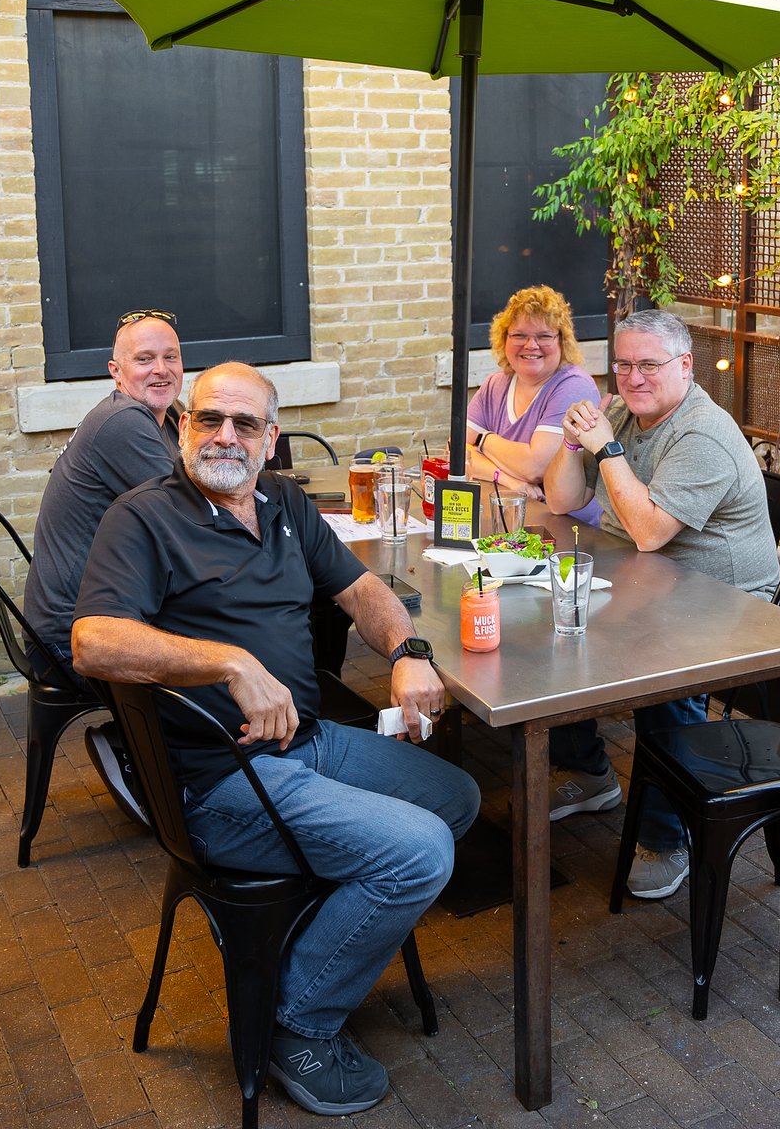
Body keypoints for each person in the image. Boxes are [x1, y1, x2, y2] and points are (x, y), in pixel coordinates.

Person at [72, 361, 480, 1118]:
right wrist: (231, 662)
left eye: (245, 423)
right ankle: (295, 1022)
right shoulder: (144, 516)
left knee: (456, 797)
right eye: (209, 419)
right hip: (221, 780)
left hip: (306, 742)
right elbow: (92, 641)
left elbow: (361, 589)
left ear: (271, 437)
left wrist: (407, 652)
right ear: (183, 426)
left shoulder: (285, 501)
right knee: (419, 851)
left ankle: (318, 935)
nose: (225, 436)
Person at [544, 309, 779, 900]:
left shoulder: (702, 434)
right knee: (555, 623)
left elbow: (648, 532)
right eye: (623, 364)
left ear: (685, 366)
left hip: (728, 604)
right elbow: (561, 499)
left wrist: (606, 446)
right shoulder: (625, 412)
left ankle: (668, 837)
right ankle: (589, 771)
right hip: (646, 582)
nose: (633, 378)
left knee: (659, 669)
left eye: (649, 365)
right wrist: (572, 441)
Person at [465, 286, 618, 823]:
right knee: (490, 601)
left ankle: (584, 764)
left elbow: (538, 465)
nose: (531, 345)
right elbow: (459, 448)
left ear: (562, 340)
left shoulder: (572, 385)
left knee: (545, 631)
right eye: (520, 335)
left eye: (544, 336)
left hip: (580, 536)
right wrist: (506, 472)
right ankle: (514, 717)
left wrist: (487, 446)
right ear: (503, 339)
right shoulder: (496, 383)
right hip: (523, 522)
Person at [23, 309, 183, 807]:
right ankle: (151, 762)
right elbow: (194, 518)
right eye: (144, 359)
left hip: (95, 610)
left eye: (171, 357)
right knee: (224, 636)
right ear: (116, 371)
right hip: (71, 636)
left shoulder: (163, 417)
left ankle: (141, 745)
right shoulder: (123, 423)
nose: (161, 369)